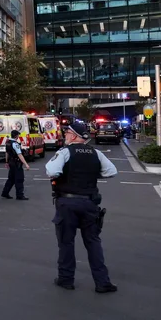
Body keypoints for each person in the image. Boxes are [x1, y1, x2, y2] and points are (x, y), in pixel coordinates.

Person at [45, 122, 118, 293]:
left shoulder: (64, 152)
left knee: (66, 243)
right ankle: (102, 282)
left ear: (74, 136)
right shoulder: (96, 153)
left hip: (67, 203)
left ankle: (66, 279)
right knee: (93, 242)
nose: (65, 136)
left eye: (67, 133)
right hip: (89, 203)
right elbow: (111, 171)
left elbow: (52, 171)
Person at [1, 129, 30, 200]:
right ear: (16, 136)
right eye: (18, 135)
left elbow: (7, 153)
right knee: (19, 179)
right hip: (17, 164)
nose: (18, 136)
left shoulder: (8, 143)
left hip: (11, 163)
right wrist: (26, 164)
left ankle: (5, 193)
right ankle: (19, 195)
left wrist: (7, 162)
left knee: (11, 179)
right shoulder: (15, 144)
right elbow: (19, 155)